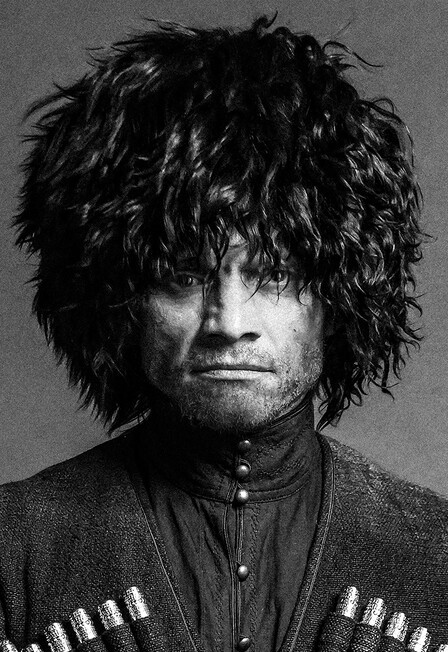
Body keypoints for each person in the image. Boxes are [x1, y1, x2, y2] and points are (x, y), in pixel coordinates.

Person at [1, 15, 447, 652]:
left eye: (274, 274)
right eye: (184, 277)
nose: (229, 324)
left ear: (340, 296)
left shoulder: (435, 552)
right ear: (119, 300)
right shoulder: (16, 547)